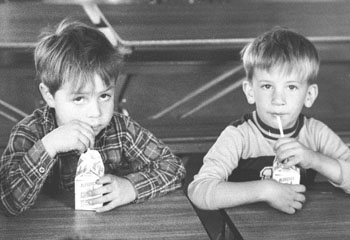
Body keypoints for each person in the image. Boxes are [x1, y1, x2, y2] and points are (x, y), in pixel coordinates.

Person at [0, 19, 185, 216]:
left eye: (104, 96)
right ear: (49, 96)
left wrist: (130, 188)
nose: (96, 112)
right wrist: (49, 146)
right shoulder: (29, 131)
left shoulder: (120, 128)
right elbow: (9, 202)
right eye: (79, 99)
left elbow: (173, 168)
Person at [188, 27, 350, 214]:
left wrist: (315, 159)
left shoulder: (316, 133)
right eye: (266, 86)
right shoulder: (239, 136)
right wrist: (265, 190)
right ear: (250, 91)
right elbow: (198, 191)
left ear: (309, 95)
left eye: (291, 87)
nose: (278, 99)